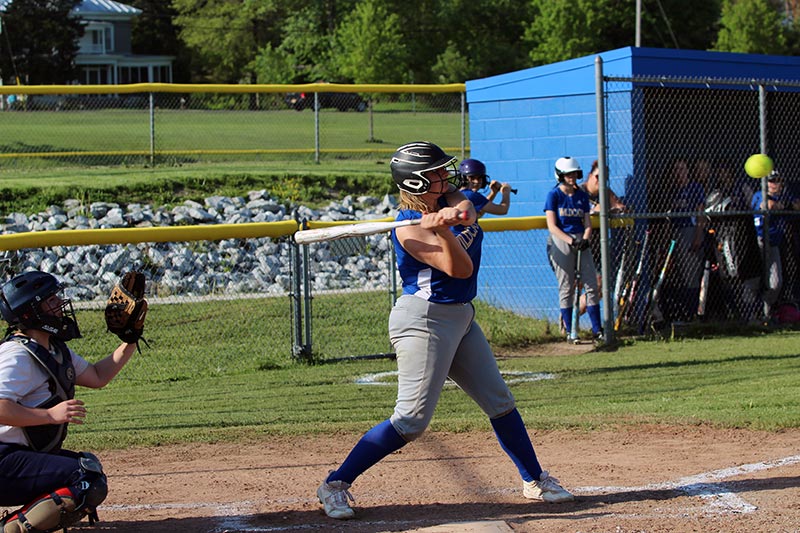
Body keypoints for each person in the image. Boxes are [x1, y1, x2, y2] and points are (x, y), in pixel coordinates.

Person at [316, 141, 574, 520]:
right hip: (425, 320)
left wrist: (453, 216)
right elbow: (461, 269)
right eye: (436, 173)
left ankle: (534, 480)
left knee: (499, 401)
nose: (446, 177)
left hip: (461, 317)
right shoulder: (407, 232)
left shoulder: (448, 196)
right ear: (418, 184)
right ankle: (335, 483)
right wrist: (441, 232)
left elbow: (467, 203)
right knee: (411, 421)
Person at [0, 271, 141, 532]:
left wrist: (129, 340)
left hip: (13, 458)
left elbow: (98, 376)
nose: (59, 303)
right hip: (3, 460)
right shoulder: (17, 355)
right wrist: (49, 416)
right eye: (49, 300)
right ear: (30, 311)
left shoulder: (53, 349)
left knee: (88, 467)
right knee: (84, 479)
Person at [545, 156, 604, 343]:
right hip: (562, 240)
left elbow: (587, 222)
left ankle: (597, 329)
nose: (572, 177)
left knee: (592, 284)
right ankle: (571, 331)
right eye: (567, 174)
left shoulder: (581, 196)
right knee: (567, 286)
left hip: (581, 240)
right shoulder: (554, 195)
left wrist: (585, 238)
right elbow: (552, 225)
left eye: (574, 174)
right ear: (560, 176)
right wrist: (570, 240)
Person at [744, 170, 800, 318]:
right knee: (754, 281)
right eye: (771, 181)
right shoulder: (759, 194)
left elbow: (797, 205)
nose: (775, 184)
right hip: (758, 243)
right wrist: (785, 205)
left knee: (776, 284)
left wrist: (786, 204)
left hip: (775, 243)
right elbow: (768, 205)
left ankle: (765, 312)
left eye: (778, 180)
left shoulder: (784, 196)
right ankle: (750, 315)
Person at [578, 159, 627, 315]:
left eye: (604, 178)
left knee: (600, 285)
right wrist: (601, 209)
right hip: (580, 246)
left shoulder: (605, 192)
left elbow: (620, 207)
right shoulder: (579, 192)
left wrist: (613, 208)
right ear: (590, 175)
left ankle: (572, 317)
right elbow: (589, 211)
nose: (600, 181)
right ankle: (568, 321)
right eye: (597, 176)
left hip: (598, 249)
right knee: (575, 286)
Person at [662, 158, 706, 323]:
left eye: (682, 169)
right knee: (678, 275)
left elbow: (700, 213)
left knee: (691, 275)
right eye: (676, 170)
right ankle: (682, 313)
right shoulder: (671, 190)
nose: (679, 173)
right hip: (675, 232)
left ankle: (693, 313)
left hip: (689, 231)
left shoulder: (695, 188)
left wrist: (697, 235)